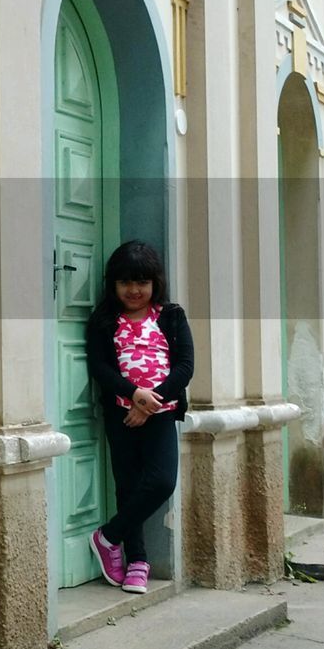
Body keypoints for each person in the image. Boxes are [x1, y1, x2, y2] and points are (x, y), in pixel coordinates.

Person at [85, 240, 193, 595]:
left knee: (161, 482)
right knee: (128, 485)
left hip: (161, 414)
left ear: (154, 283)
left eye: (142, 282)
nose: (134, 290)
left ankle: (108, 536)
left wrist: (149, 403)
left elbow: (184, 366)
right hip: (122, 414)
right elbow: (100, 366)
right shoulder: (104, 320)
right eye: (126, 283)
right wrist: (133, 396)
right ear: (113, 284)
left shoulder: (171, 316)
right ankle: (138, 562)